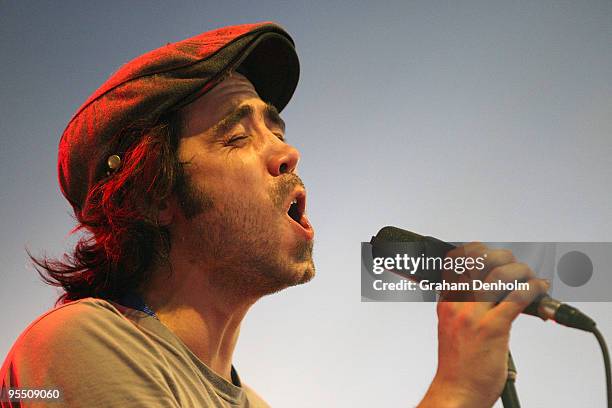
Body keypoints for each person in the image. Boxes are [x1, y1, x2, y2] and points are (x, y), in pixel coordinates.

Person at [0, 22, 547, 407]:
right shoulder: (76, 346)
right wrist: (453, 394)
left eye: (277, 129)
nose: (288, 153)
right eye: (236, 136)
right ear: (152, 197)